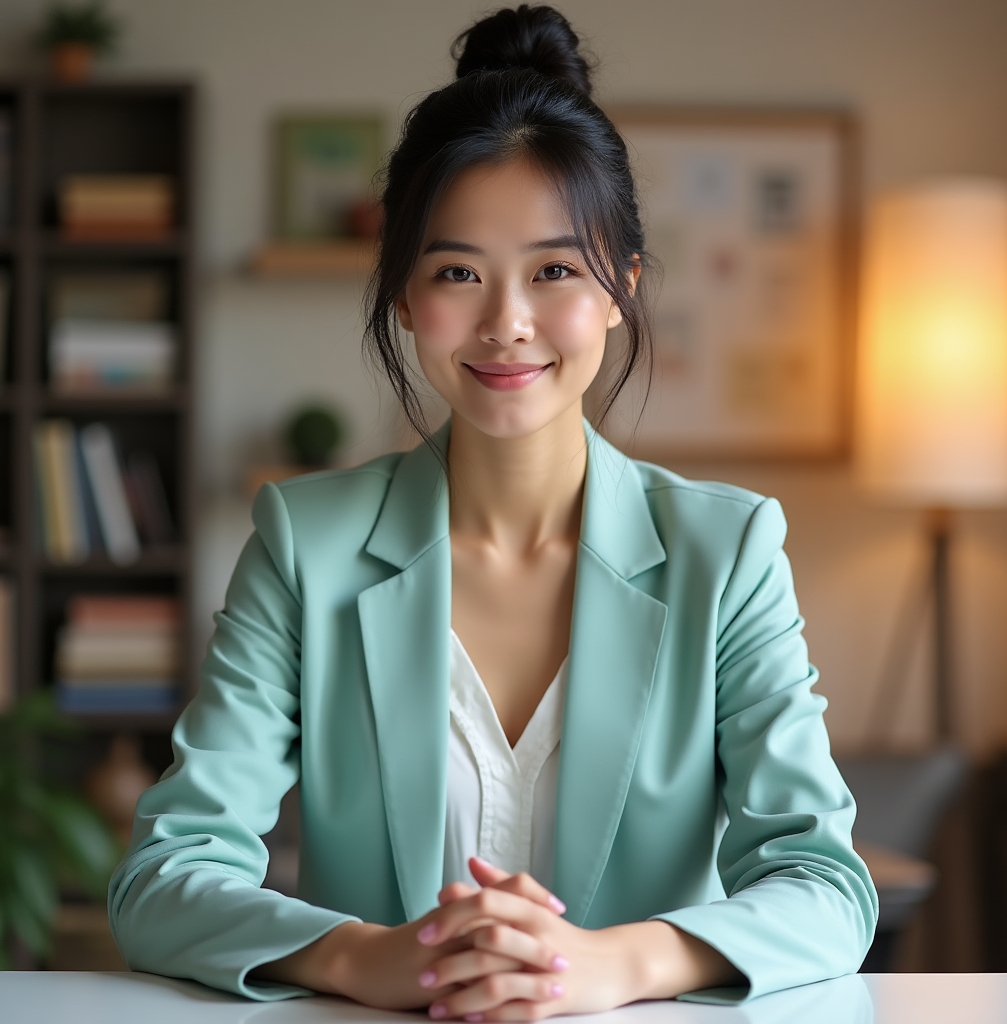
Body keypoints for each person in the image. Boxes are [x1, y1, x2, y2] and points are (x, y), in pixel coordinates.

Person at [108, 5, 877, 1017]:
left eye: (555, 270)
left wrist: (614, 964)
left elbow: (827, 886)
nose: (506, 323)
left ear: (620, 289)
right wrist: (363, 956)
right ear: (403, 299)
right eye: (456, 273)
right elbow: (163, 878)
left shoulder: (724, 550)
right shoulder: (307, 544)